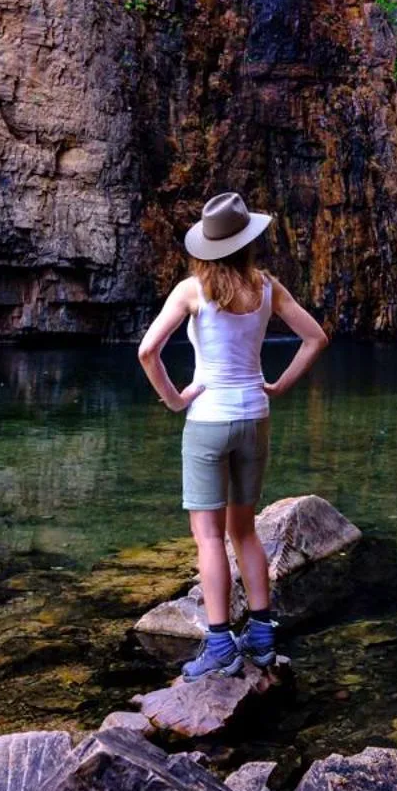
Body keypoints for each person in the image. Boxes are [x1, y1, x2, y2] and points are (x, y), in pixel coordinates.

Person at [136, 191, 329, 681]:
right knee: (243, 530)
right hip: (254, 416)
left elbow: (147, 352)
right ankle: (262, 636)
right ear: (246, 242)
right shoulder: (267, 288)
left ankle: (220, 642)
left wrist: (176, 400)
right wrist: (280, 384)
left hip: (208, 420)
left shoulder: (191, 290)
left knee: (207, 536)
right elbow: (315, 338)